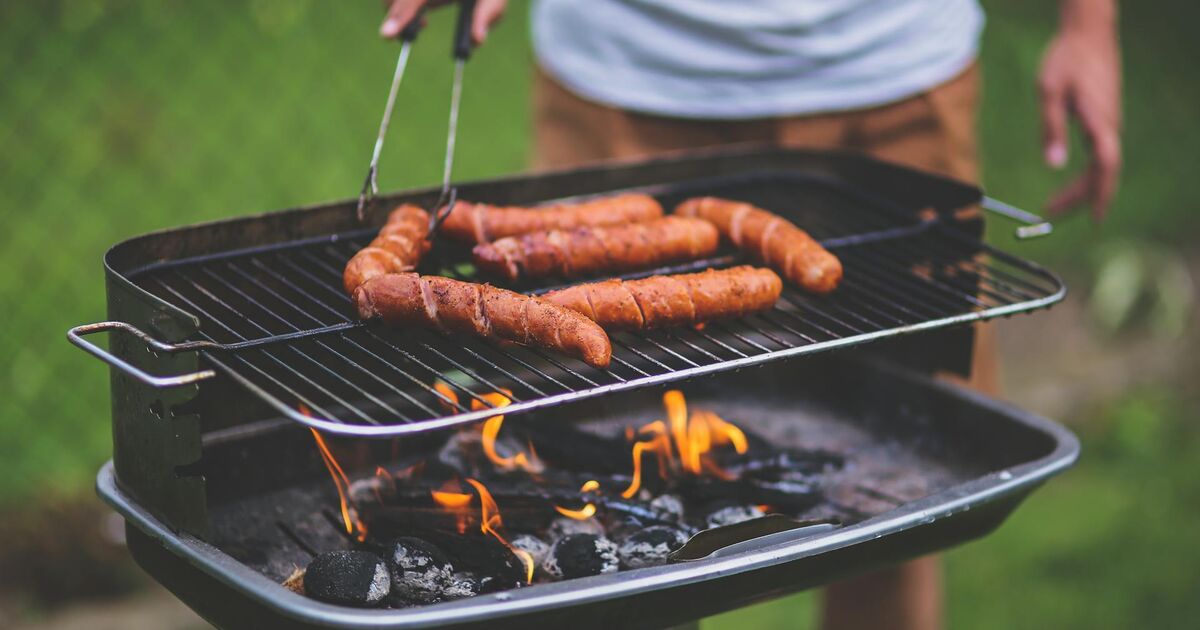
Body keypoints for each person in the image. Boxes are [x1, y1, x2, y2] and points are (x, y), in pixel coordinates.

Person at [380, 1, 1122, 628]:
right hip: (625, 74)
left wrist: (1089, 27)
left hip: (893, 76)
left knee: (904, 496)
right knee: (583, 504)